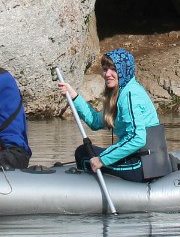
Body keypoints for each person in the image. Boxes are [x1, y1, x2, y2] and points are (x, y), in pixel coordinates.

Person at [57, 48, 171, 183]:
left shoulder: (130, 94)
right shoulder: (120, 93)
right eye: (105, 69)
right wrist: (73, 96)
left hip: (144, 165)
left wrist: (102, 159)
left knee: (83, 154)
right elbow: (95, 121)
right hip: (138, 158)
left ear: (123, 70)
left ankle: (88, 194)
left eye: (113, 69)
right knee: (84, 151)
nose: (107, 74)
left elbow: (137, 138)